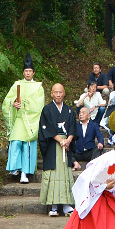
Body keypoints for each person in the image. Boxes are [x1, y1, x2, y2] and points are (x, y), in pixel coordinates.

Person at [2, 57, 45, 184]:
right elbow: (7, 101)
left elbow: (39, 105)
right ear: (23, 72)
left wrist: (24, 104)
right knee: (15, 142)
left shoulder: (38, 87)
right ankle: (15, 168)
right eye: (26, 71)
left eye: (30, 71)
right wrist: (13, 104)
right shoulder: (17, 85)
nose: (27, 73)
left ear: (33, 73)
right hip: (19, 119)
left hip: (31, 119)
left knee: (27, 145)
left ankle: (25, 173)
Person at [39, 83, 76, 217]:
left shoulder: (70, 110)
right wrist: (60, 140)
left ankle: (66, 205)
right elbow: (46, 127)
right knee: (54, 175)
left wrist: (68, 140)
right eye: (56, 92)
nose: (58, 95)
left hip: (66, 146)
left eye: (60, 92)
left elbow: (72, 126)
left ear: (64, 93)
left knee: (65, 174)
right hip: (53, 145)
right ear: (51, 94)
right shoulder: (47, 110)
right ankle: (53, 205)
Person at [72, 103, 104, 168]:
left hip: (89, 151)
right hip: (78, 152)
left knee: (98, 149)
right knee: (68, 151)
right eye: (80, 113)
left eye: (83, 113)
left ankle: (92, 165)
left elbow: (99, 135)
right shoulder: (75, 126)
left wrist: (100, 142)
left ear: (88, 116)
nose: (80, 114)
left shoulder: (94, 125)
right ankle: (75, 164)